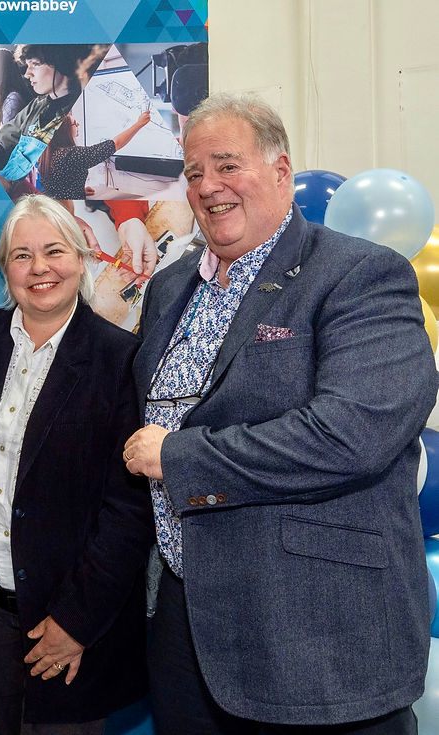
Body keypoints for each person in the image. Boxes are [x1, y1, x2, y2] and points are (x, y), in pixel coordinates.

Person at [123, 93, 438, 734]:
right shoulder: (168, 288)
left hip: (316, 634)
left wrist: (178, 457)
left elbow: (352, 435)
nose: (208, 187)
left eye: (227, 165)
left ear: (281, 171)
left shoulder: (361, 274)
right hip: (187, 627)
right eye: (192, 173)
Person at [0, 194, 153, 735]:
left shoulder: (119, 358)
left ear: (81, 259)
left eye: (54, 251)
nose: (39, 268)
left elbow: (129, 512)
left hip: (70, 617)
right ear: (5, 270)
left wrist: (76, 624)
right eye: (21, 256)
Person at [0, 44, 103, 184]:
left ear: (62, 63)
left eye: (35, 64)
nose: (27, 74)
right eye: (27, 65)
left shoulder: (78, 107)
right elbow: (1, 145)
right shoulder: (36, 105)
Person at [37, 110, 151, 201]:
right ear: (64, 130)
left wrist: (76, 191)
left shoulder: (48, 153)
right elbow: (115, 144)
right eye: (74, 123)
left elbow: (59, 183)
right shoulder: (71, 155)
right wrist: (139, 124)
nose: (78, 124)